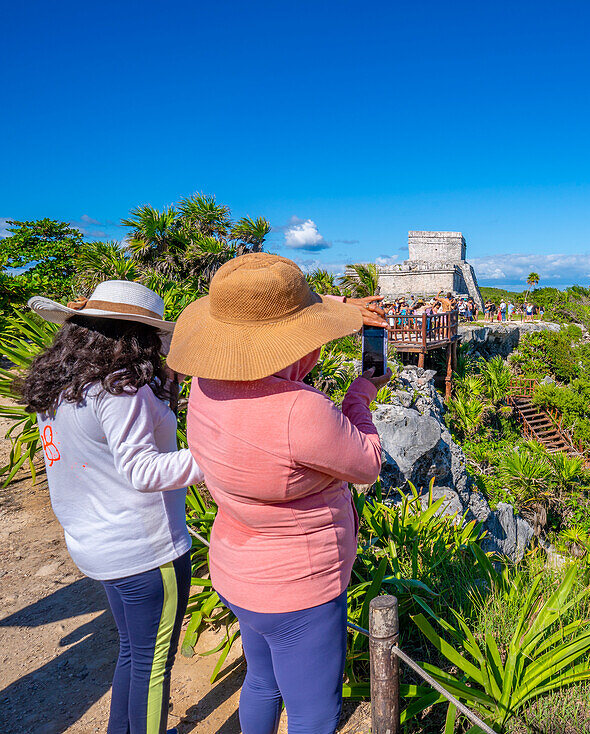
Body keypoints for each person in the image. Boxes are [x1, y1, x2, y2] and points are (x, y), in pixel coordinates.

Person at [167, 254, 389, 734]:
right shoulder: (299, 410)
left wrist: (344, 306)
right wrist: (362, 394)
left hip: (239, 572)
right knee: (313, 712)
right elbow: (367, 463)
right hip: (298, 588)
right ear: (294, 346)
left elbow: (267, 318)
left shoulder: (207, 387)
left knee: (263, 683)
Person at [22, 280, 202, 734]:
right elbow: (142, 471)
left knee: (133, 651)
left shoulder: (61, 388)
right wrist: (221, 457)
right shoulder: (121, 388)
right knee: (152, 667)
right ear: (135, 338)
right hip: (145, 549)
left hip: (96, 545)